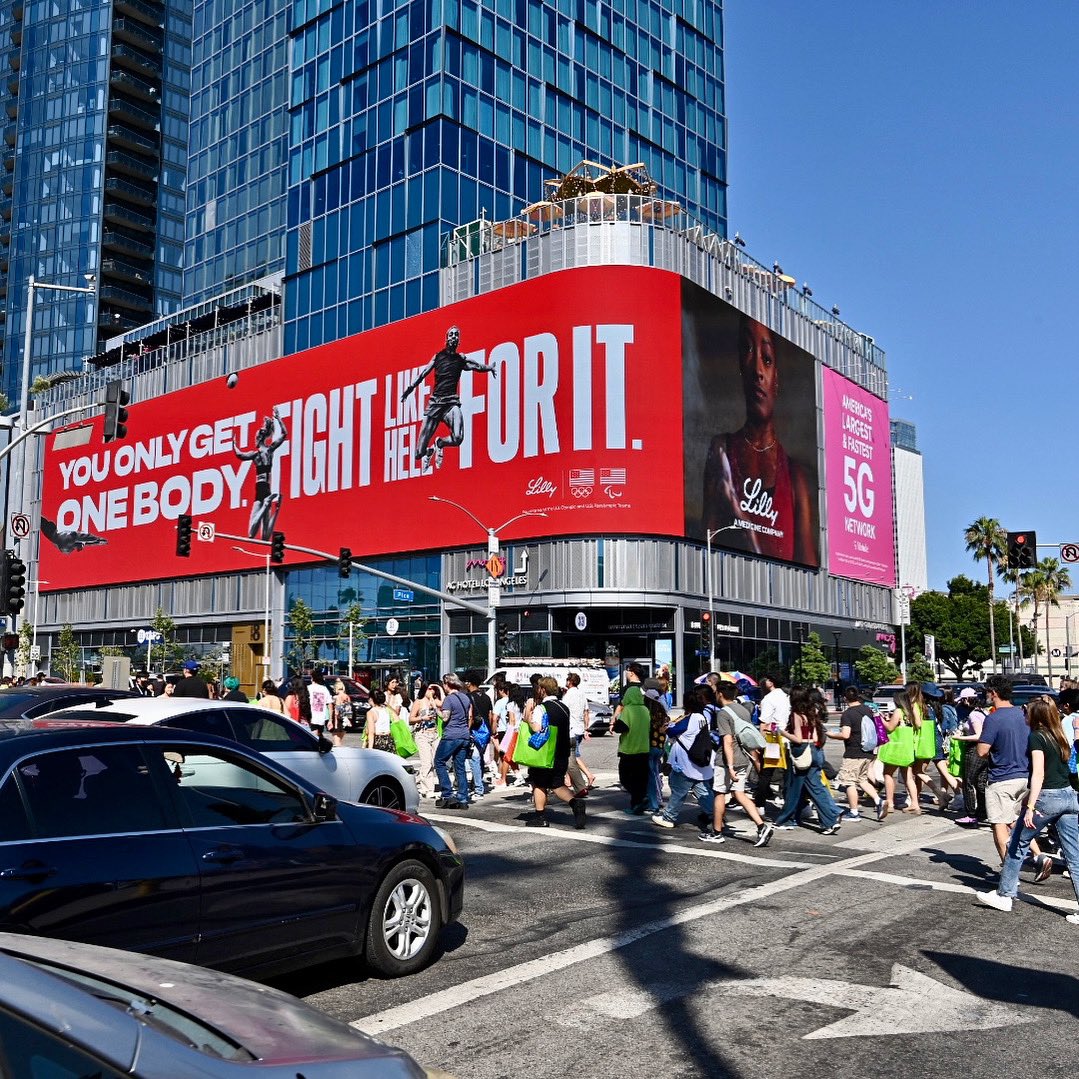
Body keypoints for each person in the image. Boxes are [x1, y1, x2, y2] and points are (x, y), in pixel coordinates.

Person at [702, 315, 817, 566]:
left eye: (766, 359)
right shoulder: (721, 451)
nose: (757, 371)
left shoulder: (795, 478)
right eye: (747, 351)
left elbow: (808, 569)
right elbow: (704, 546)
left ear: (777, 378)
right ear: (740, 368)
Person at [977, 698, 1079, 921]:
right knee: (1075, 856)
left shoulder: (1037, 737)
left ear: (1035, 716)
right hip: (1069, 796)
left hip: (1047, 798)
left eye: (1027, 712)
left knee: (1016, 844)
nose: (1024, 716)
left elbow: (1039, 774)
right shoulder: (1059, 735)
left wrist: (1030, 805)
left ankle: (1005, 895)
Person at [977, 674, 1051, 881]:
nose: (987, 695)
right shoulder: (1023, 715)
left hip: (1002, 778)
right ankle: (1039, 856)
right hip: (1024, 778)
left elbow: (983, 751)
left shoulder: (993, 718)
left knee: (998, 824)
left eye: (987, 692)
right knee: (1016, 822)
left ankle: (1008, 873)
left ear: (994, 693)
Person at [400, 326, 499, 470]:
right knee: (418, 453)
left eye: (456, 335)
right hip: (435, 404)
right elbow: (423, 374)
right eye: (451, 334)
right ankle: (429, 451)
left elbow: (476, 366)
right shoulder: (438, 356)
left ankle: (440, 443)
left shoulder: (460, 359)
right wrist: (410, 388)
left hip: (451, 404)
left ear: (458, 340)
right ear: (446, 338)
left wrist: (490, 368)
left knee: (458, 438)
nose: (454, 337)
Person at [706, 680, 775, 845]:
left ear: (720, 694)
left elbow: (727, 741)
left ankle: (716, 832)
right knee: (739, 793)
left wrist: (729, 766)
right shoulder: (742, 710)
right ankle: (761, 826)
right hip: (744, 758)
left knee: (720, 793)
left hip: (726, 760)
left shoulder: (723, 713)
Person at [772, 686, 842, 834]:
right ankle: (830, 817)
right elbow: (816, 736)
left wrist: (782, 732)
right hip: (815, 750)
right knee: (816, 787)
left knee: (794, 788)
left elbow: (797, 738)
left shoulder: (797, 714)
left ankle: (786, 819)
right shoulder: (812, 712)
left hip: (801, 751)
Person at [524, 677, 586, 829]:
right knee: (557, 784)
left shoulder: (542, 708)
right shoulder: (564, 707)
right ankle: (575, 803)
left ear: (543, 690)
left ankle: (540, 817)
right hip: (562, 752)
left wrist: (527, 717)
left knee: (539, 783)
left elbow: (537, 728)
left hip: (545, 754)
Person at [652, 685, 715, 830]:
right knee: (702, 791)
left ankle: (669, 817)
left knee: (678, 790)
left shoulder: (691, 719)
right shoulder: (702, 718)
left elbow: (672, 730)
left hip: (685, 763)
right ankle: (714, 814)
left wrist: (670, 725)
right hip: (699, 763)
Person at [829, 686, 885, 822]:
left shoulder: (848, 714)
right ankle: (879, 801)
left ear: (844, 698)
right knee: (862, 779)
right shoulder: (868, 710)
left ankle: (854, 812)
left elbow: (845, 734)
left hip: (854, 752)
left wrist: (831, 735)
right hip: (868, 751)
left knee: (849, 782)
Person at [234, 408, 287, 540]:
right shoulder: (270, 450)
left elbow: (239, 454)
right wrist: (278, 418)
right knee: (265, 538)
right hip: (267, 489)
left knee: (251, 534)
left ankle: (265, 505)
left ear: (258, 437)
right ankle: (276, 508)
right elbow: (284, 434)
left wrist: (233, 443)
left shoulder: (256, 454)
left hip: (260, 487)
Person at [611, 662, 652, 813]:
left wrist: (614, 724)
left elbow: (621, 728)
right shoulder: (645, 710)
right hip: (644, 748)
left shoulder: (628, 710)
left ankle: (638, 798)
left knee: (626, 778)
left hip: (629, 749)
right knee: (641, 778)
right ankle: (638, 802)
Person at [878, 689, 920, 816]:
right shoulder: (910, 711)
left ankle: (890, 803)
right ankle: (915, 804)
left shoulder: (898, 711)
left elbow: (890, 727)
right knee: (908, 777)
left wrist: (881, 719)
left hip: (896, 748)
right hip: (907, 748)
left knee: (888, 773)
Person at [434, 673, 473, 809]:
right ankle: (462, 798)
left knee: (439, 761)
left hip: (451, 735)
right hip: (464, 735)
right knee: (460, 766)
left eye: (443, 684)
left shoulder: (449, 699)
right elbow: (469, 716)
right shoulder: (465, 698)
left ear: (447, 684)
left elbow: (445, 718)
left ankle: (447, 794)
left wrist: (435, 708)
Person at [952, 687, 988, 824]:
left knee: (968, 782)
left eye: (962, 700)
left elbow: (978, 735)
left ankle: (971, 813)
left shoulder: (973, 715)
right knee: (980, 783)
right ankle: (982, 812)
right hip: (985, 751)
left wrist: (959, 738)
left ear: (967, 700)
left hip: (974, 750)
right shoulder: (983, 712)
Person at [408, 682, 444, 798]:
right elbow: (411, 719)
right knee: (426, 762)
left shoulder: (435, 701)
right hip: (422, 734)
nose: (431, 691)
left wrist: (439, 689)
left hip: (434, 734)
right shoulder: (418, 702)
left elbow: (444, 703)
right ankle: (427, 789)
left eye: (433, 689)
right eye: (429, 689)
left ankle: (420, 779)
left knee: (435, 761)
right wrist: (422, 718)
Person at [562, 672, 596, 795]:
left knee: (573, 756)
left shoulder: (568, 696)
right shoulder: (582, 694)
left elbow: (563, 711)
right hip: (580, 728)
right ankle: (571, 781)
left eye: (567, 680)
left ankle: (588, 775)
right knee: (573, 755)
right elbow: (586, 712)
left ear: (570, 682)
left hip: (571, 728)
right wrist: (586, 728)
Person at [364, 688, 397, 754]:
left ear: (371, 699)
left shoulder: (371, 712)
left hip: (377, 740)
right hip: (388, 740)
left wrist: (370, 749)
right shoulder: (387, 710)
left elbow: (371, 732)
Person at [307, 670, 332, 736]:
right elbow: (330, 704)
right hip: (321, 718)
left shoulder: (308, 688)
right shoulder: (324, 689)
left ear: (312, 678)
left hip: (311, 717)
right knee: (319, 735)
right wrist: (330, 720)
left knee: (313, 738)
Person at [329, 680, 353, 747]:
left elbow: (337, 711)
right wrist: (349, 720)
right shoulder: (347, 697)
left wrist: (335, 724)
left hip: (338, 721)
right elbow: (349, 709)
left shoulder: (338, 697)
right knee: (340, 740)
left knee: (337, 742)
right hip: (345, 720)